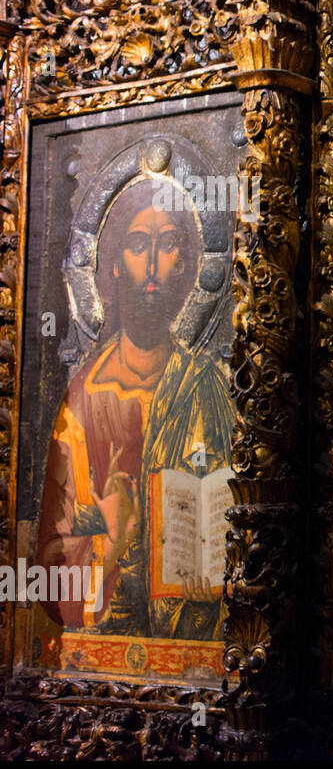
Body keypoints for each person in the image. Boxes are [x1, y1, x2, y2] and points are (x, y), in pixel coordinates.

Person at [36, 178, 235, 639]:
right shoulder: (83, 402)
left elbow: (244, 521)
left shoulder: (205, 386)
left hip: (196, 646)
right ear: (115, 268)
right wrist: (110, 545)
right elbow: (46, 567)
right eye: (137, 245)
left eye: (166, 246)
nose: (150, 265)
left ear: (184, 266)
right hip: (101, 650)